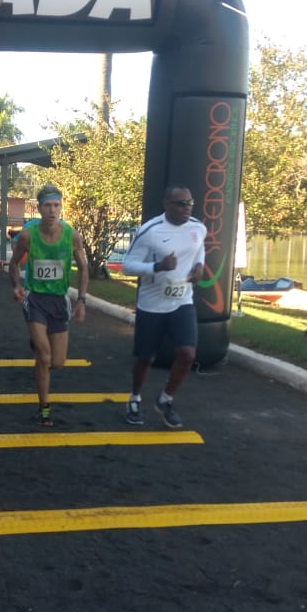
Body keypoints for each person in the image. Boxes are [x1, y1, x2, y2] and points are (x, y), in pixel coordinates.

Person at [122, 184, 206, 429]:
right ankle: (135, 398)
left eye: (190, 203)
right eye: (180, 204)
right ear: (166, 204)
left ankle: (166, 399)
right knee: (146, 358)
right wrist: (157, 267)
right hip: (152, 304)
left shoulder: (198, 227)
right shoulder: (150, 230)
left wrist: (199, 266)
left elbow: (199, 250)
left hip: (182, 301)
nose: (186, 208)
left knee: (187, 353)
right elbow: (128, 265)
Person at [8, 184, 89, 427]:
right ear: (39, 208)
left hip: (59, 301)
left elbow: (84, 267)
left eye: (56, 205)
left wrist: (82, 300)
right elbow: (14, 264)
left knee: (58, 362)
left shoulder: (71, 235)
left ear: (61, 206)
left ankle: (38, 342)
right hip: (36, 299)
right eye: (47, 205)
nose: (52, 210)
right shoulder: (27, 236)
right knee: (44, 358)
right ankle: (44, 408)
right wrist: (16, 286)